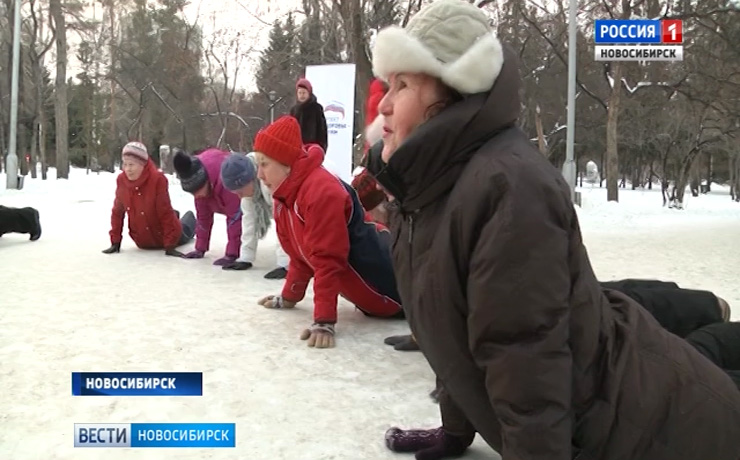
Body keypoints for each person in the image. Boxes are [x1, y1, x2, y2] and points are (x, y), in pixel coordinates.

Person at [367, 1, 740, 459]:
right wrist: (455, 431)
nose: (383, 103)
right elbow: (449, 329)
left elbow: (525, 362)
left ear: (450, 96)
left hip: (646, 429)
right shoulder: (424, 189)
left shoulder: (507, 189)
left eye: (401, 85)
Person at [253, 115, 403, 349]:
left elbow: (328, 259)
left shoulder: (320, 191)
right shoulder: (285, 196)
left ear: (285, 163)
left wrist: (324, 321)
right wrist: (290, 295)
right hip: (370, 298)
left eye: (264, 164)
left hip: (393, 288)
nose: (260, 176)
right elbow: (301, 256)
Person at [103, 141, 194, 256]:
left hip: (165, 237)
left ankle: (191, 218)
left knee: (186, 223)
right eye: (125, 164)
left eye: (131, 165)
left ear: (143, 164)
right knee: (170, 214)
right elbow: (117, 212)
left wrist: (170, 245)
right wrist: (115, 242)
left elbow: (165, 212)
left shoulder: (157, 179)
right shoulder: (122, 181)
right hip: (141, 240)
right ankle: (176, 215)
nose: (127, 169)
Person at [219, 151, 290, 275]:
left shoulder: (271, 182)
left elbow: (284, 224)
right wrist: (245, 258)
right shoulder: (250, 191)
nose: (240, 196)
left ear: (250, 179)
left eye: (240, 191)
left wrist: (286, 264)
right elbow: (249, 223)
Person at [173, 148, 242, 265]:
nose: (197, 195)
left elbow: (235, 217)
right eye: (192, 193)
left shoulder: (227, 179)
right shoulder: (200, 187)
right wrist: (200, 248)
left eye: (198, 190)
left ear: (206, 181)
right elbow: (203, 218)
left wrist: (232, 254)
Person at [289, 78, 328, 151]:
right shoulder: (294, 110)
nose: (301, 95)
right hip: (296, 150)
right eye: (299, 93)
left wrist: (321, 149)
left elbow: (322, 131)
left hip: (312, 150)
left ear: (309, 93)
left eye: (304, 93)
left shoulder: (316, 108)